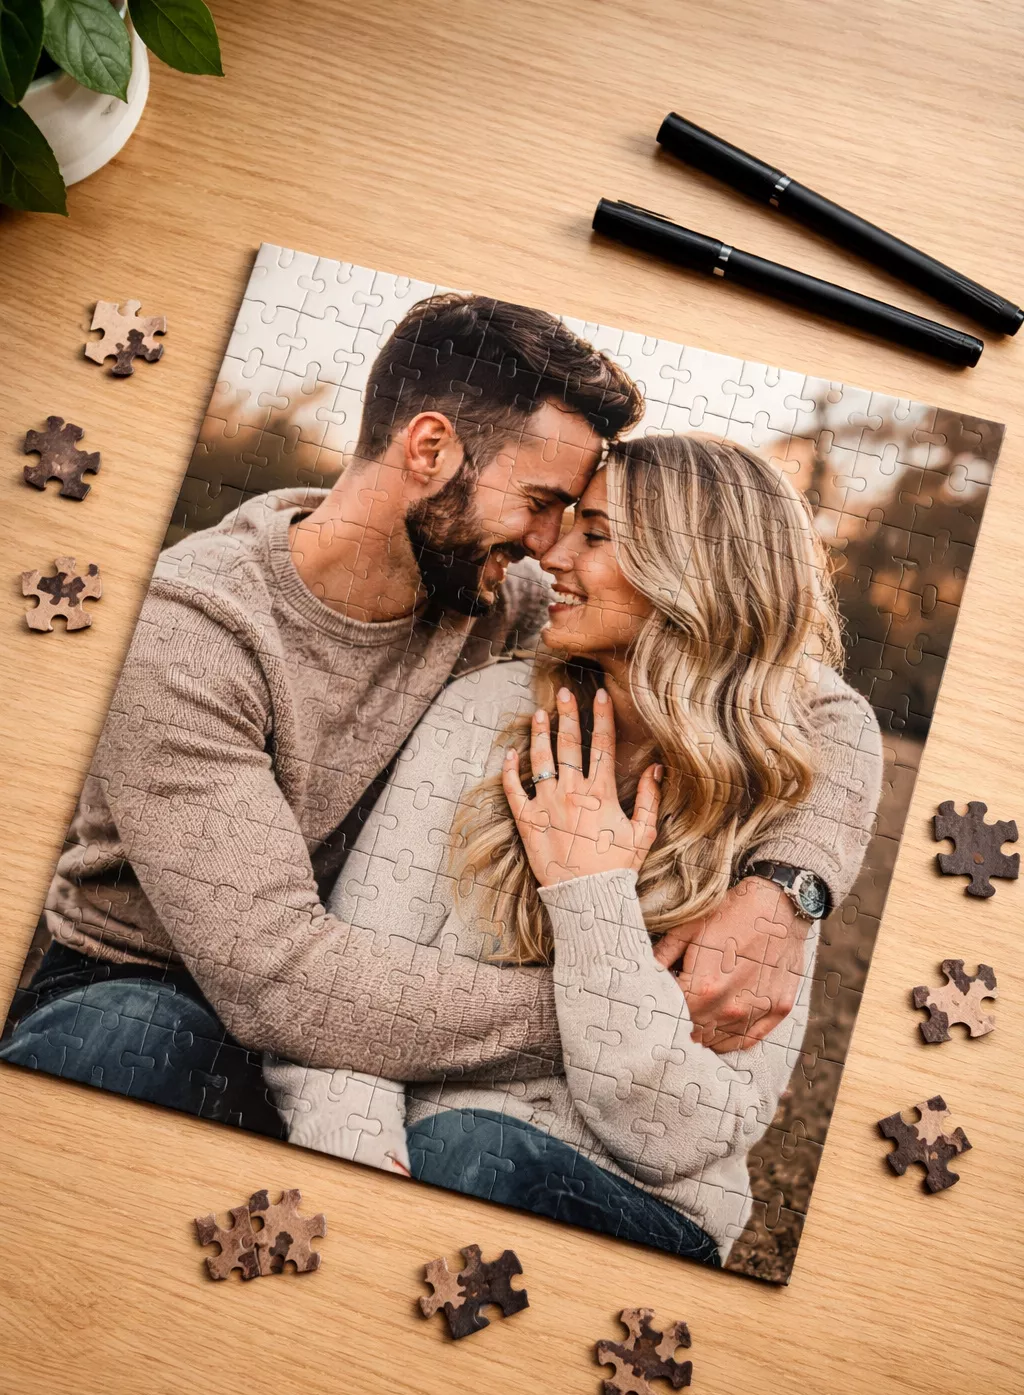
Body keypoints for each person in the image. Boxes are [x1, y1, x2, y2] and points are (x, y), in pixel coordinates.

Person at [2, 293, 868, 1140]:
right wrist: (629, 1009)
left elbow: (806, 697)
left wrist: (786, 889)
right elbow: (280, 982)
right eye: (538, 502)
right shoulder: (190, 635)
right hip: (156, 986)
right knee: (123, 1044)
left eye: (573, 521)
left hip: (378, 1030)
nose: (548, 546)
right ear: (428, 448)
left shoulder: (507, 601)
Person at [265, 435, 882, 1265]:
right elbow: (351, 996)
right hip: (414, 1164)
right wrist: (363, 1173)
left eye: (594, 535)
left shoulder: (783, 810)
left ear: (690, 570)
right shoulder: (482, 714)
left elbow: (678, 1135)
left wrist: (591, 896)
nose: (548, 554)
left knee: (474, 1153)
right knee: (449, 1157)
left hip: (644, 1211)